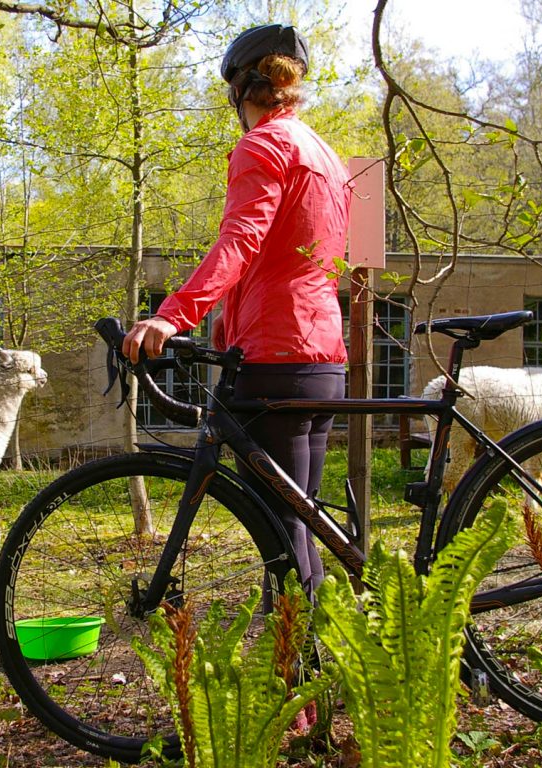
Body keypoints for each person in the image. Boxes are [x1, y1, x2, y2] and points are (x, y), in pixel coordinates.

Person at [123, 23, 350, 598]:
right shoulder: (327, 155)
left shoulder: (263, 145)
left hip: (276, 355)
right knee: (296, 524)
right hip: (324, 361)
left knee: (283, 532)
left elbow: (241, 238)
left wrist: (172, 315)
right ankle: (310, 660)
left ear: (241, 93)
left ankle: (301, 666)